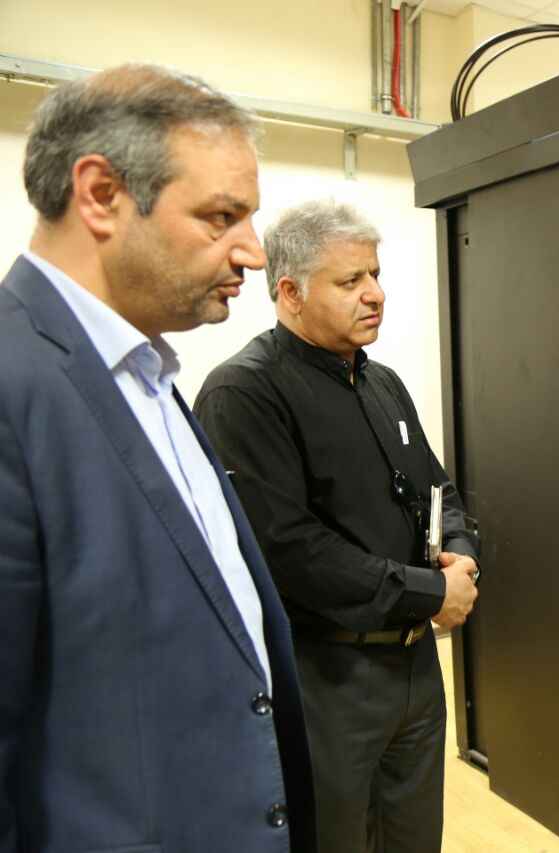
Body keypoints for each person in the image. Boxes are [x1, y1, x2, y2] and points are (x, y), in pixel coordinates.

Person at [0, 65, 315, 851]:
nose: (253, 252)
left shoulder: (147, 373)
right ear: (101, 195)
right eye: (222, 216)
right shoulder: (14, 385)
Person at [193, 198, 480, 853]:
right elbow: (289, 549)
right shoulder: (244, 393)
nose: (375, 294)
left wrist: (463, 557)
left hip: (415, 669)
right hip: (327, 674)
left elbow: (437, 490)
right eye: (351, 280)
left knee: (415, 839)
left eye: (375, 274)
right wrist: (429, 592)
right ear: (290, 292)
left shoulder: (384, 385)